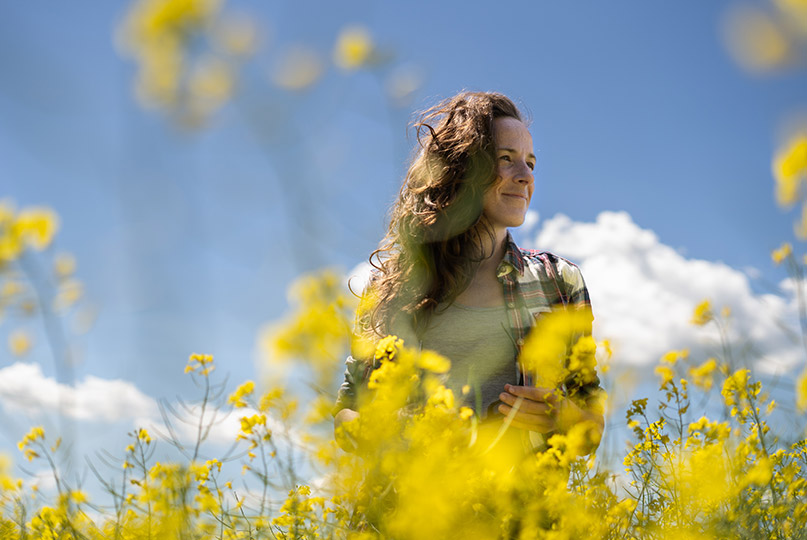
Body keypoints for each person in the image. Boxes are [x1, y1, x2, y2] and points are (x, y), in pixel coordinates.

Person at [333, 91, 603, 454]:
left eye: (531, 163)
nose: (525, 176)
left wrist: (562, 416)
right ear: (462, 168)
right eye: (506, 159)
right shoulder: (392, 288)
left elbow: (592, 425)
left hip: (527, 508)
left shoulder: (559, 282)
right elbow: (348, 411)